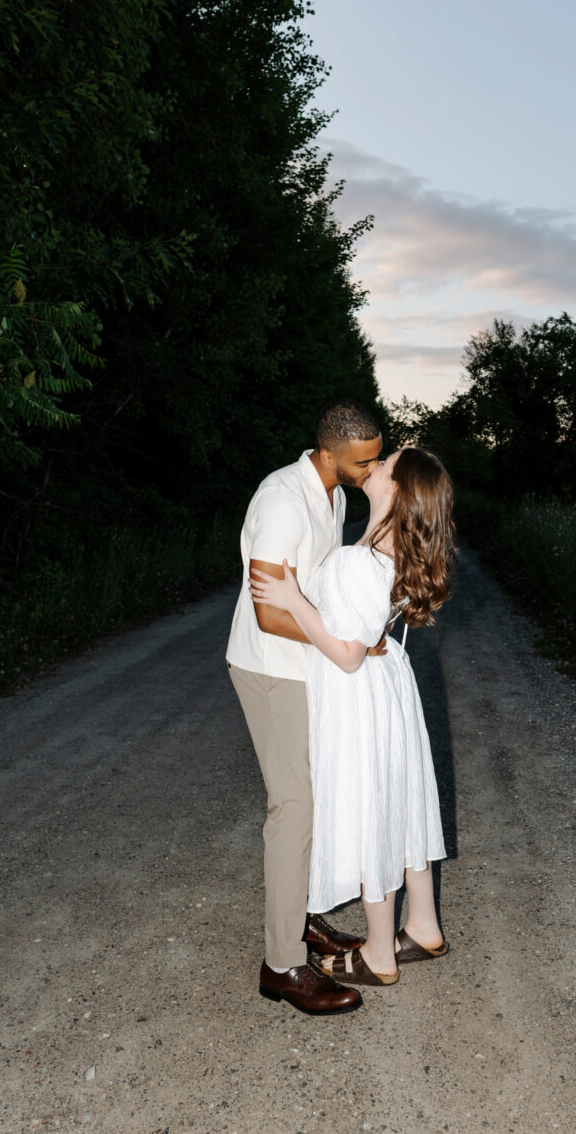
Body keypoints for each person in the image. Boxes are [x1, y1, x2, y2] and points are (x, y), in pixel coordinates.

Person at [250, 446, 455, 987]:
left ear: (398, 492)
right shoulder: (388, 547)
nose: (377, 464)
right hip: (388, 687)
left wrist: (294, 599)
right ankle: (423, 924)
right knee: (403, 800)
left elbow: (344, 653)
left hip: (358, 692)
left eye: (387, 464)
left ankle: (380, 953)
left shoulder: (355, 558)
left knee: (373, 809)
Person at [226, 399, 384, 1015]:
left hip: (307, 667)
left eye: (375, 459)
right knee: (294, 805)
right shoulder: (281, 500)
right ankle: (282, 964)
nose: (371, 470)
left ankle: (305, 919)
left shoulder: (337, 494)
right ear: (328, 452)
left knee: (319, 795)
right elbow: (268, 612)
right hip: (269, 668)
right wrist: (344, 644)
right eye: (362, 461)